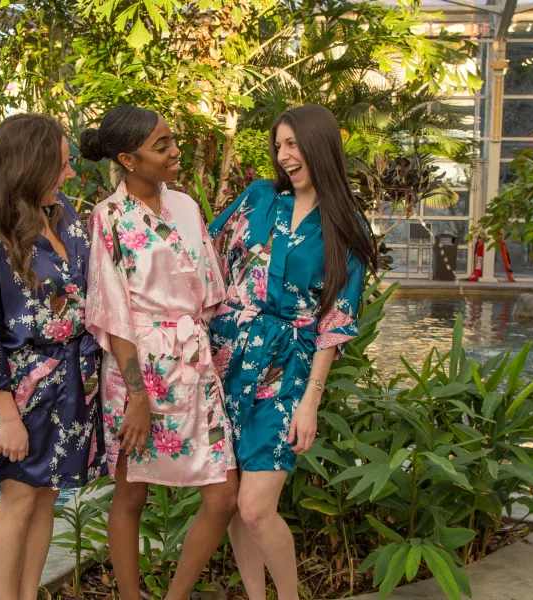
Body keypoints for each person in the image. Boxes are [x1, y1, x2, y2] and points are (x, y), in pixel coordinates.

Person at [207, 105, 377, 599]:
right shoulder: (259, 198)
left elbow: (335, 322)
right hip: (227, 360)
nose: (284, 155)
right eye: (278, 145)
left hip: (287, 371)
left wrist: (311, 403)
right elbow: (205, 256)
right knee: (238, 501)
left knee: (257, 506)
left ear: (319, 146)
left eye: (293, 144)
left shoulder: (346, 225)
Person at [0, 113, 105, 600]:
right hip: (23, 392)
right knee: (17, 499)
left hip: (75, 384)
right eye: (60, 164)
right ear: (29, 165)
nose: (69, 174)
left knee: (47, 498)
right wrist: (7, 418)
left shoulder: (65, 217)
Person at [82, 104, 238, 600]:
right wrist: (136, 397)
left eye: (173, 140)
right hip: (137, 372)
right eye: (162, 145)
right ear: (129, 159)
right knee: (131, 493)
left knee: (222, 495)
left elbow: (210, 291)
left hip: (192, 364)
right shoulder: (107, 218)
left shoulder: (188, 207)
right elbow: (112, 310)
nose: (176, 151)